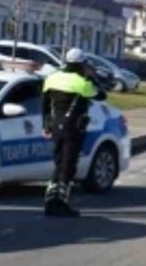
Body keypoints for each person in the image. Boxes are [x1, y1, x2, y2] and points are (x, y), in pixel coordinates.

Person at [40, 48, 106, 218]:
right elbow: (101, 94)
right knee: (68, 164)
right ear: (81, 64)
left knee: (59, 161)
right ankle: (61, 202)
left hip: (56, 126)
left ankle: (50, 200)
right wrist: (92, 76)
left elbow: (45, 105)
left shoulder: (52, 78)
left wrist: (46, 125)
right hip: (74, 127)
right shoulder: (82, 83)